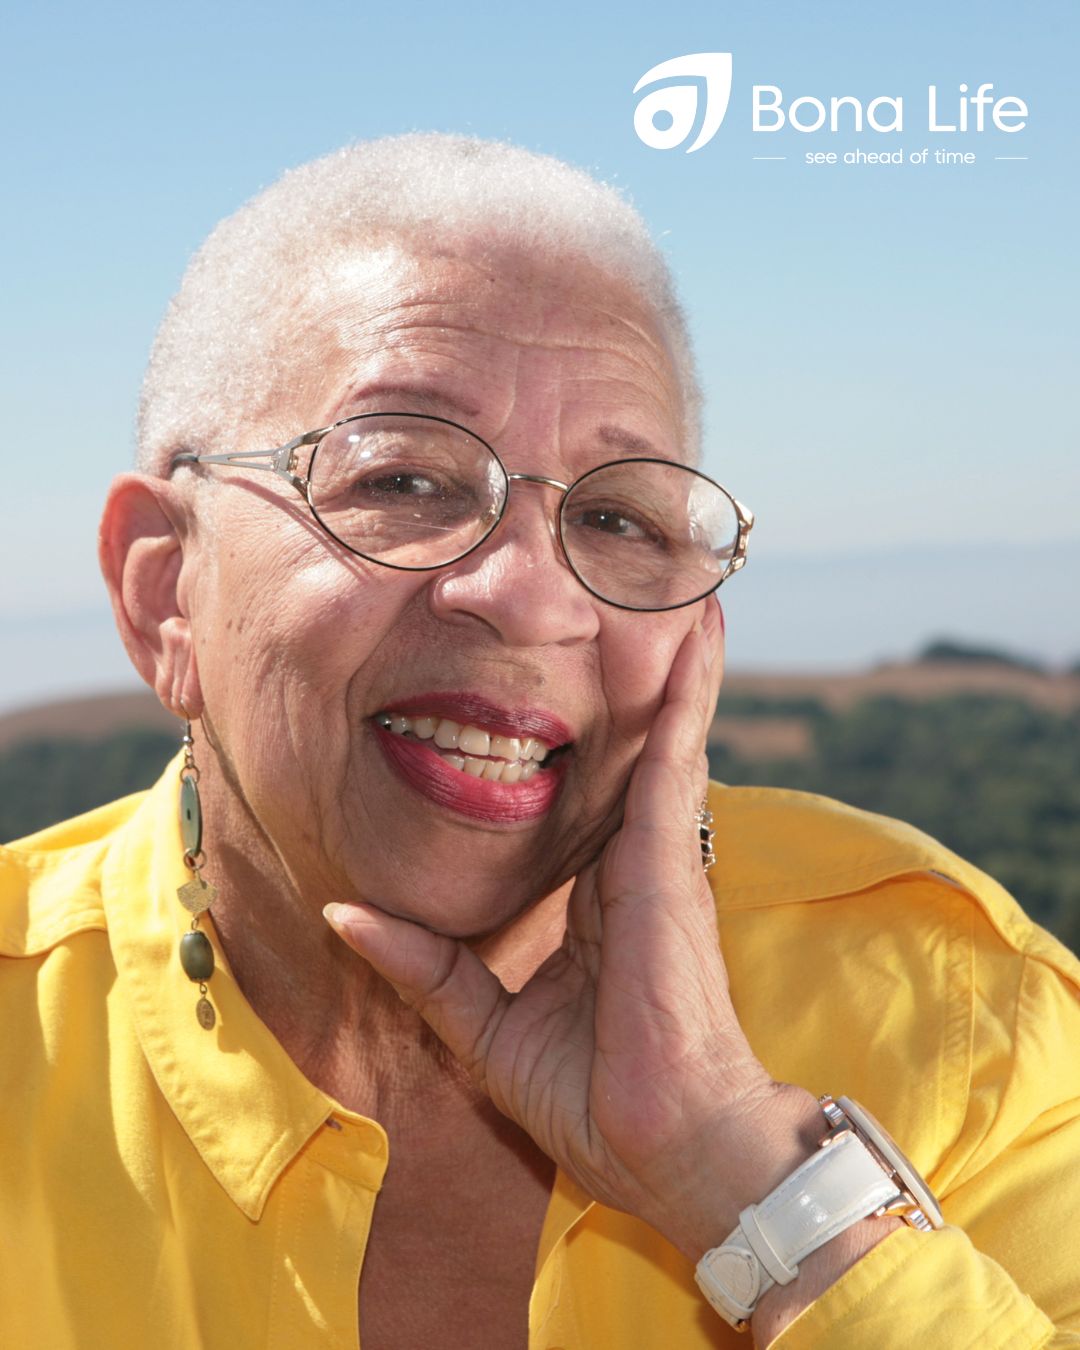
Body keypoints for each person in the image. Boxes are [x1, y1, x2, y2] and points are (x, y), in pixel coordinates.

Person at [1, 134, 1077, 1350]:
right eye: (403, 479)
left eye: (618, 515)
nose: (533, 596)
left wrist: (741, 1169)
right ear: (164, 593)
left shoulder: (953, 1009)